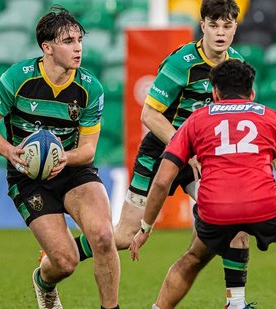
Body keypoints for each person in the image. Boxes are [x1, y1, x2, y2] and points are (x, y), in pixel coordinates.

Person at [72, 0, 252, 307]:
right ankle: (67, 251)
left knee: (236, 220)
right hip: (160, 152)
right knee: (126, 236)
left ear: (235, 26)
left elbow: (240, 113)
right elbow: (149, 115)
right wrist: (186, 144)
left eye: (227, 25)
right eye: (214, 25)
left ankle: (235, 303)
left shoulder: (236, 64)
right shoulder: (181, 62)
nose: (220, 33)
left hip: (202, 158)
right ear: (203, 25)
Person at [129, 59, 276, 309]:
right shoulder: (272, 118)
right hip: (264, 206)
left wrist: (146, 227)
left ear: (215, 93)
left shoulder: (196, 120)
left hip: (215, 209)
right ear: (252, 93)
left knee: (193, 256)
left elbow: (162, 181)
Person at [0, 5, 120, 309]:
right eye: (68, 41)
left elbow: (89, 150)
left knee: (104, 236)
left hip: (73, 169)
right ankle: (44, 282)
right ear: (47, 48)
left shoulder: (90, 88)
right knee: (64, 263)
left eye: (79, 40)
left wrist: (65, 157)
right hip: (28, 177)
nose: (78, 47)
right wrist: (10, 151)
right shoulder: (19, 77)